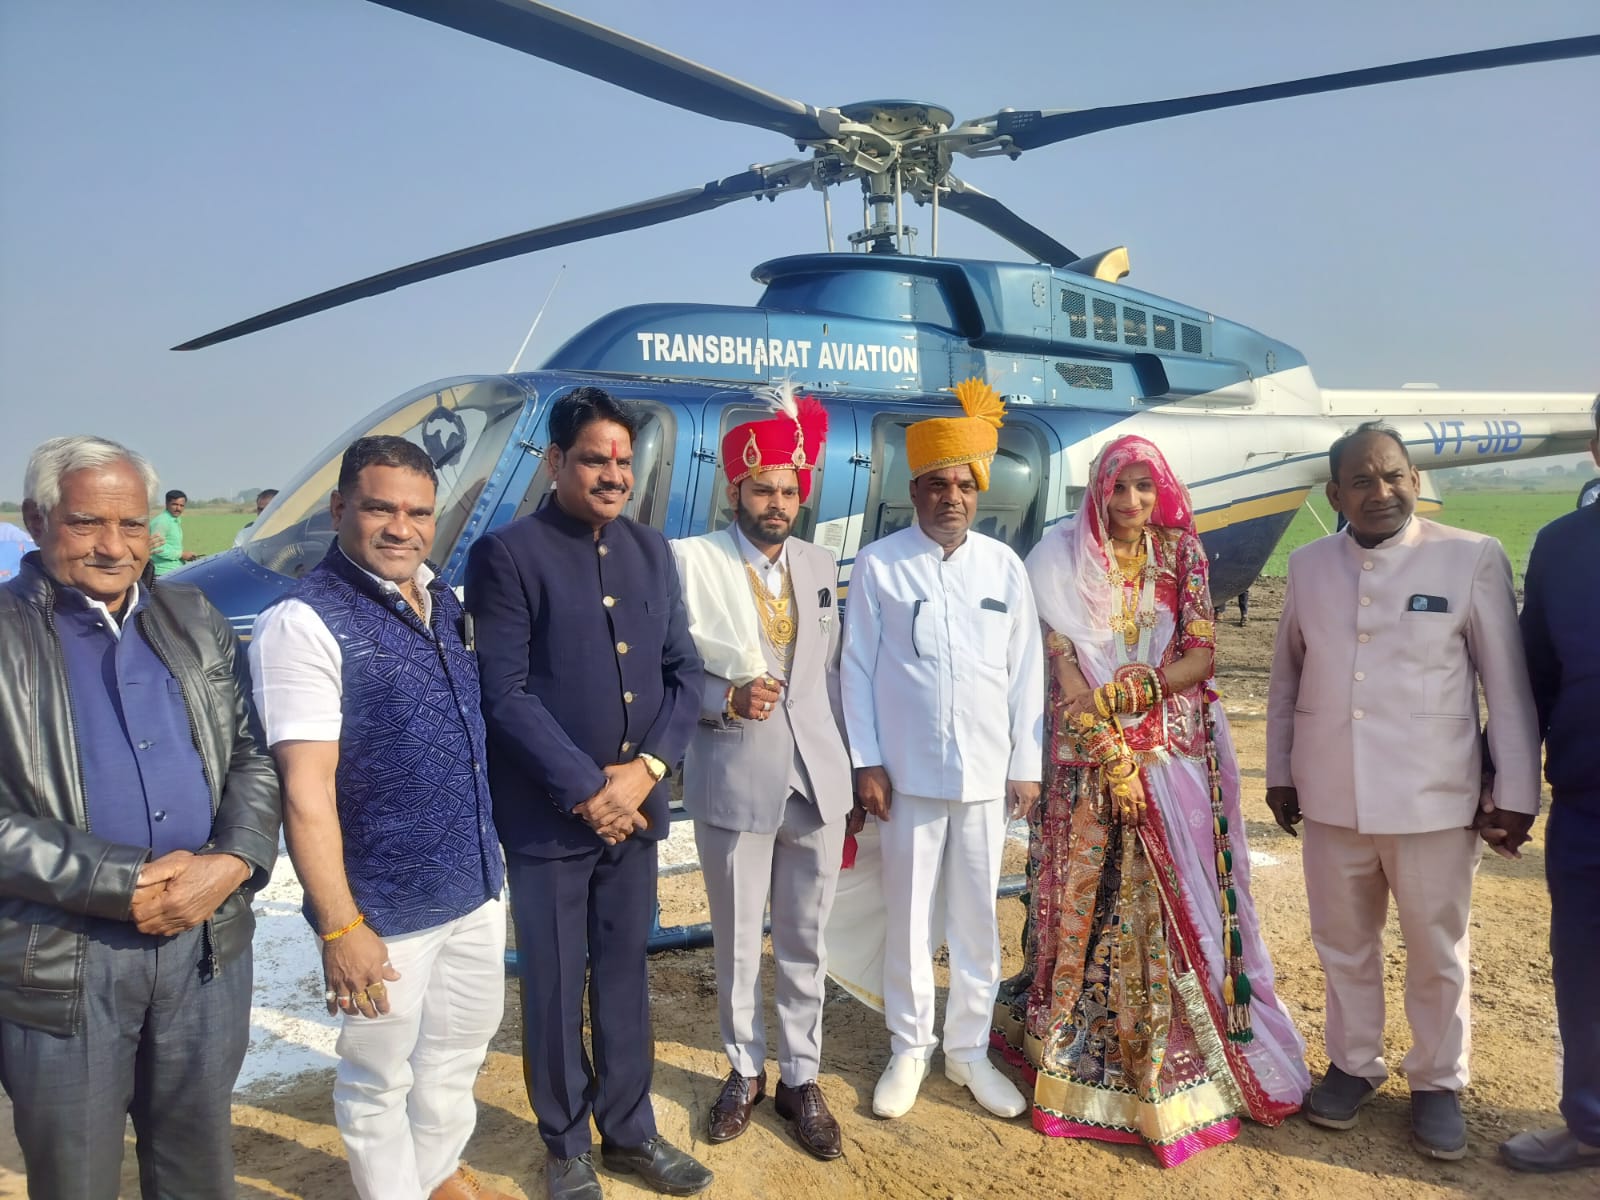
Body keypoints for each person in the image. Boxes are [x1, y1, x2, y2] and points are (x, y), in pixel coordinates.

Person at [1005, 434, 1308, 1166]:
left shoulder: (1182, 553)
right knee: (1083, 899)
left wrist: (1136, 693)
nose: (1132, 501)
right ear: (1097, 489)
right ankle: (1073, 1049)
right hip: (1084, 758)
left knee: (1165, 908)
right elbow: (1061, 663)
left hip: (1170, 755)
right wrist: (1108, 745)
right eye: (1119, 486)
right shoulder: (1057, 558)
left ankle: (1169, 1056)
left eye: (1145, 486)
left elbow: (1201, 653)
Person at [0, 435, 280, 1198]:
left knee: (197, 1170)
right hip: (64, 961)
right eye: (88, 522)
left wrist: (231, 861)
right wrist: (118, 880)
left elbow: (252, 755)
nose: (114, 546)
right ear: (37, 519)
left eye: (132, 524)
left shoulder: (192, 616)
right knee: (78, 1178)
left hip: (204, 947)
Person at [1266, 421, 1541, 1161]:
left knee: (1436, 947)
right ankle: (1353, 1063)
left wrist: (1517, 788)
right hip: (1332, 792)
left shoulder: (1469, 557)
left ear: (1416, 481)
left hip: (1433, 796)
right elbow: (1288, 674)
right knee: (1342, 942)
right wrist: (1282, 770)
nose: (1380, 491)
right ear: (1335, 494)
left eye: (1393, 475)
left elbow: (1506, 687)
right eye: (1361, 480)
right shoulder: (1309, 565)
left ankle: (1437, 1081)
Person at [466, 387, 711, 1200]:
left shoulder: (650, 550)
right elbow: (503, 692)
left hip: (635, 812)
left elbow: (684, 673)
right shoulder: (509, 554)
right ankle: (565, 1143)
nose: (613, 474)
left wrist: (647, 772)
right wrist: (586, 789)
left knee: (624, 976)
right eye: (595, 459)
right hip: (549, 820)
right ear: (554, 461)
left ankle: (631, 1132)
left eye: (623, 460)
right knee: (553, 982)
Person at [250, 436, 511, 1200]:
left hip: (472, 886)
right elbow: (306, 792)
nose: (402, 528)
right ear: (340, 509)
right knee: (378, 1076)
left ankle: (436, 1172)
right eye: (380, 508)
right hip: (384, 910)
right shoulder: (303, 622)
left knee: (457, 1051)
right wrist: (340, 927)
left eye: (419, 512)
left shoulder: (443, 601)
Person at [838, 378, 1044, 1122]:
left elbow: (1026, 672)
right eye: (936, 485)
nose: (950, 497)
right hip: (906, 778)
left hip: (988, 778)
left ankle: (968, 1053)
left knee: (976, 919)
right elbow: (856, 669)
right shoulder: (880, 565)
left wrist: (1026, 765)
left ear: (977, 492)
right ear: (914, 492)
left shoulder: (1003, 567)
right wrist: (866, 762)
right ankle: (909, 1047)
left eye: (963, 485)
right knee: (909, 915)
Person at [671, 389, 850, 1161]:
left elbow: (831, 675)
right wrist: (723, 699)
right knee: (739, 944)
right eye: (762, 489)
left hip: (816, 783)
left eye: (787, 490)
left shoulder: (819, 562)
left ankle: (800, 1078)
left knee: (806, 942)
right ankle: (744, 1070)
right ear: (734, 489)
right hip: (734, 776)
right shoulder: (694, 563)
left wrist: (851, 772)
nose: (776, 503)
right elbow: (671, 671)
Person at [1502, 396, 1600, 1174]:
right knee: (1585, 965)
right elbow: (1530, 679)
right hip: (1588, 800)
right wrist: (1507, 787)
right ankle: (1593, 1123)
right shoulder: (1563, 547)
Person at [148, 488, 197, 575]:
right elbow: (157, 548)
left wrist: (186, 555)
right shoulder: (162, 521)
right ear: (167, 504)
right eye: (174, 504)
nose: (178, 508)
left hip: (174, 570)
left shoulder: (174, 520)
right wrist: (181, 555)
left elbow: (171, 545)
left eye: (181, 505)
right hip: (162, 572)